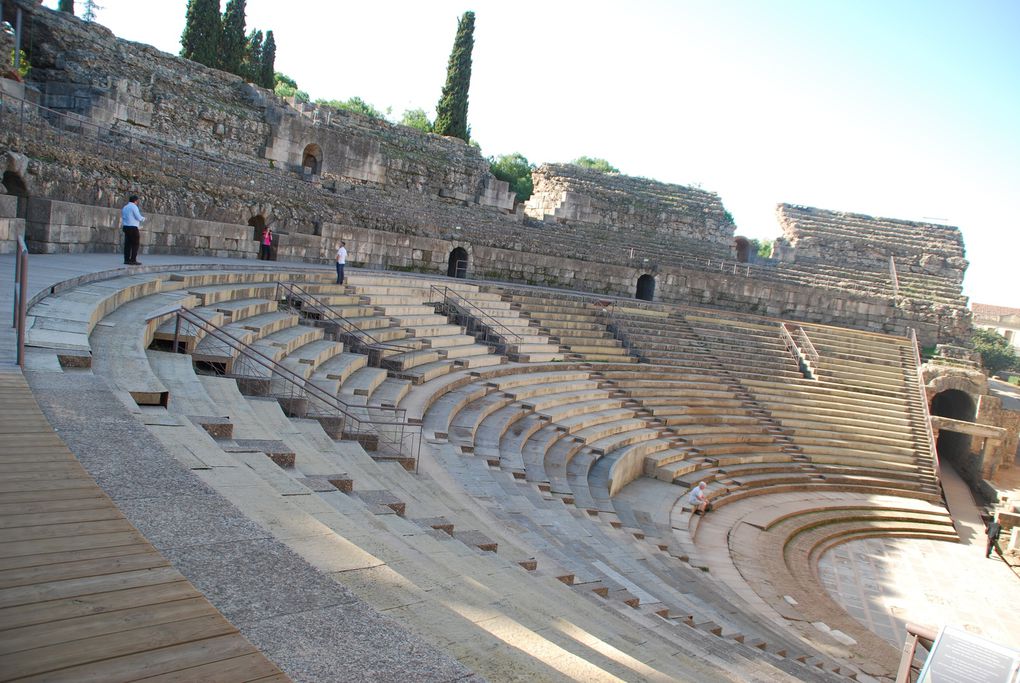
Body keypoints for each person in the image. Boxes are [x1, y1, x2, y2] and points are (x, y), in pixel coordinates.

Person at [121, 195, 145, 265]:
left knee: (127, 244)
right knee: (135, 244)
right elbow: (138, 217)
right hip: (133, 227)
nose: (138, 202)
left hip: (126, 226)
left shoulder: (125, 207)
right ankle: (133, 259)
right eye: (137, 201)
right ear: (135, 200)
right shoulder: (134, 207)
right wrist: (143, 218)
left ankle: (126, 259)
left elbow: (124, 217)